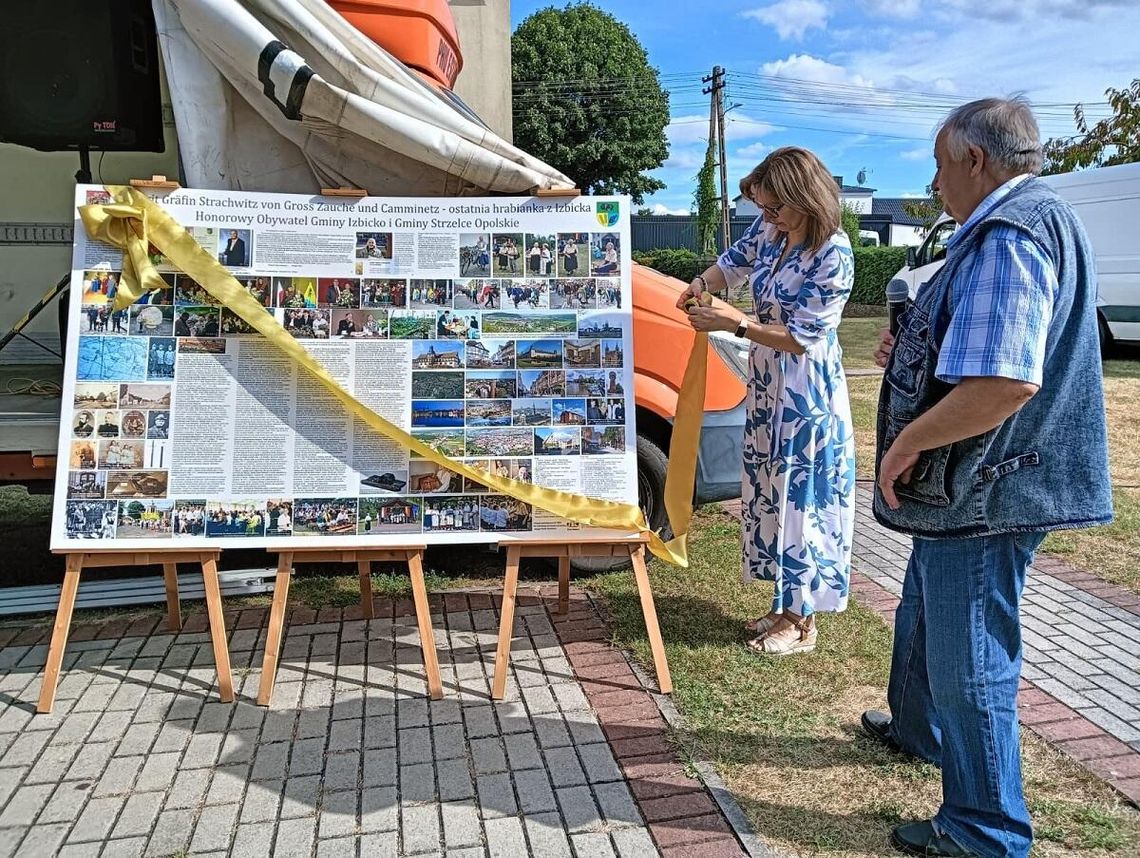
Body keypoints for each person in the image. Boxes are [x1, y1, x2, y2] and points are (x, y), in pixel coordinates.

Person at [861, 98, 1113, 858]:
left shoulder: (1010, 232)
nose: (935, 184)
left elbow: (1003, 382)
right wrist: (910, 347)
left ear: (977, 160)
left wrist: (907, 442)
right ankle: (917, 729)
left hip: (988, 487)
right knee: (927, 614)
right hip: (976, 484)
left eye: (941, 165)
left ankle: (984, 828)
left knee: (970, 654)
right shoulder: (1029, 219)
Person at [677, 146, 856, 656]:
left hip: (805, 396)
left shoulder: (833, 253)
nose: (769, 218)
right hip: (767, 385)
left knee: (802, 499)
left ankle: (801, 621)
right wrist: (700, 284)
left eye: (777, 208)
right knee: (772, 495)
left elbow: (802, 336)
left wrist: (733, 322)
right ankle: (783, 605)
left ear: (806, 197)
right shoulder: (773, 231)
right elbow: (732, 265)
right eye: (764, 209)